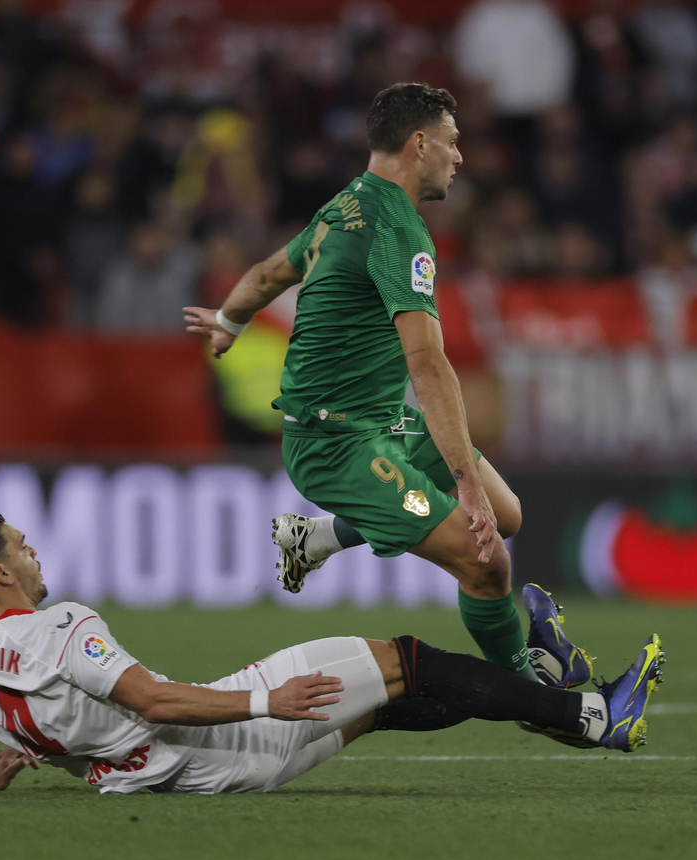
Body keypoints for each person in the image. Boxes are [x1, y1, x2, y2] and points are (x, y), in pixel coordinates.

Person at [183, 83, 588, 687]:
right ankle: (528, 690)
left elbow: (270, 272)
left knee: (508, 515)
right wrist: (463, 486)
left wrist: (229, 320)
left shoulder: (344, 205)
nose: (459, 157)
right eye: (452, 143)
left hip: (379, 423)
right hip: (336, 444)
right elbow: (428, 367)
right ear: (419, 143)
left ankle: (316, 538)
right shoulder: (396, 230)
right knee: (486, 563)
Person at [0, 511, 666, 796]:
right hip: (219, 732)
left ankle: (542, 690)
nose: (33, 554)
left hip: (181, 781)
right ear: (1, 573)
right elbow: (152, 701)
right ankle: (590, 711)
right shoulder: (58, 624)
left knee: (389, 700)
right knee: (406, 657)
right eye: (21, 548)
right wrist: (268, 701)